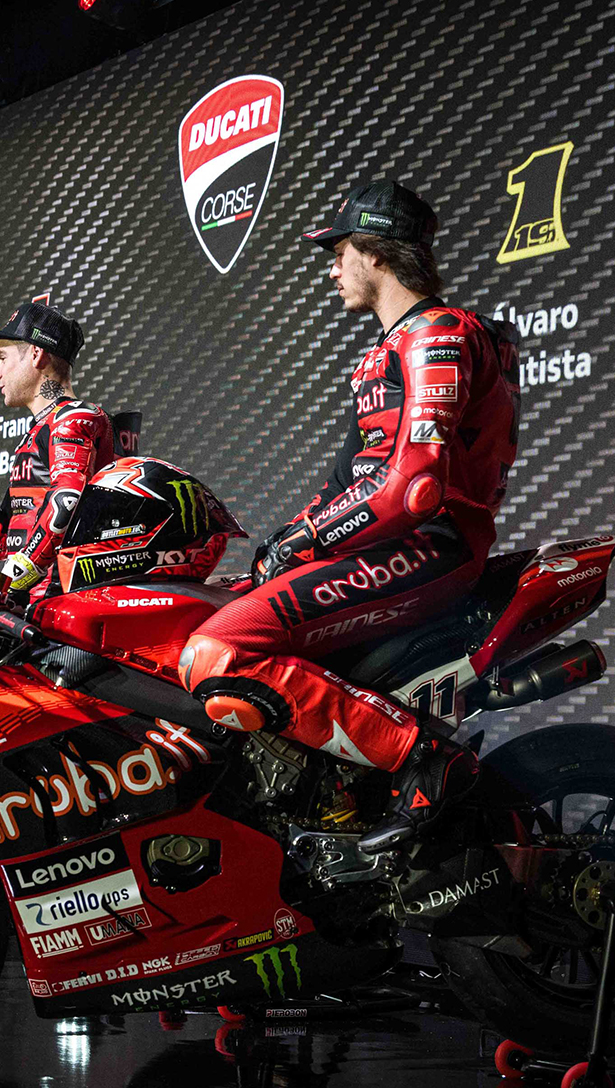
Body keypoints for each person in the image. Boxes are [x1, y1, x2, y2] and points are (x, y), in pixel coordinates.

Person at [178, 179, 521, 853]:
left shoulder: (435, 335)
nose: (332, 267)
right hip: (391, 548)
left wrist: (305, 540)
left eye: (339, 251)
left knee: (214, 654)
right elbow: (352, 480)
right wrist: (283, 547)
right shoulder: (393, 348)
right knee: (203, 620)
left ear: (378, 254)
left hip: (429, 546)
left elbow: (410, 491)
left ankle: (423, 758)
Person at [0, 301, 116, 596]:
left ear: (36, 354)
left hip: (61, 605)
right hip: (28, 607)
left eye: (2, 358)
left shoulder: (73, 417)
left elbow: (66, 500)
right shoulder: (38, 431)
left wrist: (7, 582)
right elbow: (3, 541)